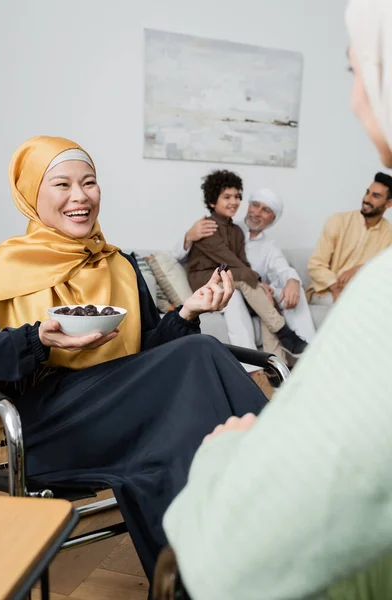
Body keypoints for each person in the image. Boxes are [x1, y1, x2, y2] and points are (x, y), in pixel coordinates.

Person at [162, 0, 392, 598]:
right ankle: (278, 354)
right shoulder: (213, 229)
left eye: (357, 71)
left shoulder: (377, 295)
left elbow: (228, 561)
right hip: (226, 287)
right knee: (249, 296)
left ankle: (280, 353)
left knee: (268, 297)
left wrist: (223, 455)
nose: (355, 99)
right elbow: (221, 262)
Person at [0, 136, 268, 588]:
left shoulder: (118, 264)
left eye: (90, 183)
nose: (80, 197)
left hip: (126, 408)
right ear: (30, 194)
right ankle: (284, 484)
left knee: (179, 434)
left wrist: (187, 312)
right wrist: (36, 340)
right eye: (61, 184)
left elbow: (149, 354)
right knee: (198, 360)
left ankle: (210, 577)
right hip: (50, 425)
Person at [176, 187, 315, 371]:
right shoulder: (224, 228)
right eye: (255, 205)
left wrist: (293, 280)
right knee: (235, 294)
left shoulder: (269, 248)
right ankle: (252, 367)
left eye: (265, 210)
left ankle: (278, 372)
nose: (257, 212)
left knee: (269, 297)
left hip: (255, 298)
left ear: (272, 219)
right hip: (230, 291)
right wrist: (188, 236)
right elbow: (180, 257)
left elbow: (282, 268)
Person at [307, 172, 392, 305]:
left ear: (389, 203)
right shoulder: (338, 221)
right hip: (327, 290)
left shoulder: (389, 234)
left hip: (364, 293)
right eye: (367, 192)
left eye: (376, 196)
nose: (367, 199)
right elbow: (315, 265)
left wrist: (359, 269)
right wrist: (335, 287)